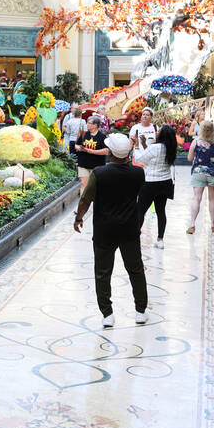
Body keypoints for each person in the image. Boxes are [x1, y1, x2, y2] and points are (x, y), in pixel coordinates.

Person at [73, 133, 147, 328]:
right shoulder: (138, 173)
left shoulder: (99, 173)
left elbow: (85, 200)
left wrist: (79, 218)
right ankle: (140, 311)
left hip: (104, 230)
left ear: (111, 153)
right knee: (136, 270)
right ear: (128, 153)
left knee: (103, 273)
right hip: (130, 229)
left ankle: (107, 314)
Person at [134, 124, 177, 249]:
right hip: (165, 182)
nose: (156, 132)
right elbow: (153, 158)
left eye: (159, 131)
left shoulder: (156, 147)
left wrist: (137, 145)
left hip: (150, 182)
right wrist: (144, 145)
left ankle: (134, 236)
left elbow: (140, 159)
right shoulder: (171, 147)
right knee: (161, 211)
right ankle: (160, 239)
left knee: (140, 210)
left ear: (162, 134)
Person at [187, 120, 214, 234]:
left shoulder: (196, 142)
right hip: (213, 173)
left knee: (196, 198)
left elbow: (189, 158)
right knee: (212, 199)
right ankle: (213, 224)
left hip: (199, 172)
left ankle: (192, 224)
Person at [75, 115, 110, 194]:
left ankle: (96, 204)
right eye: (87, 123)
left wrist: (92, 151)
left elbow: (106, 150)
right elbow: (76, 145)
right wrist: (80, 148)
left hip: (97, 165)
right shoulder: (84, 134)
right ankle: (82, 203)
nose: (87, 124)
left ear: (95, 125)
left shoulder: (102, 137)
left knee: (95, 186)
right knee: (84, 184)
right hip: (83, 164)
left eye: (89, 123)